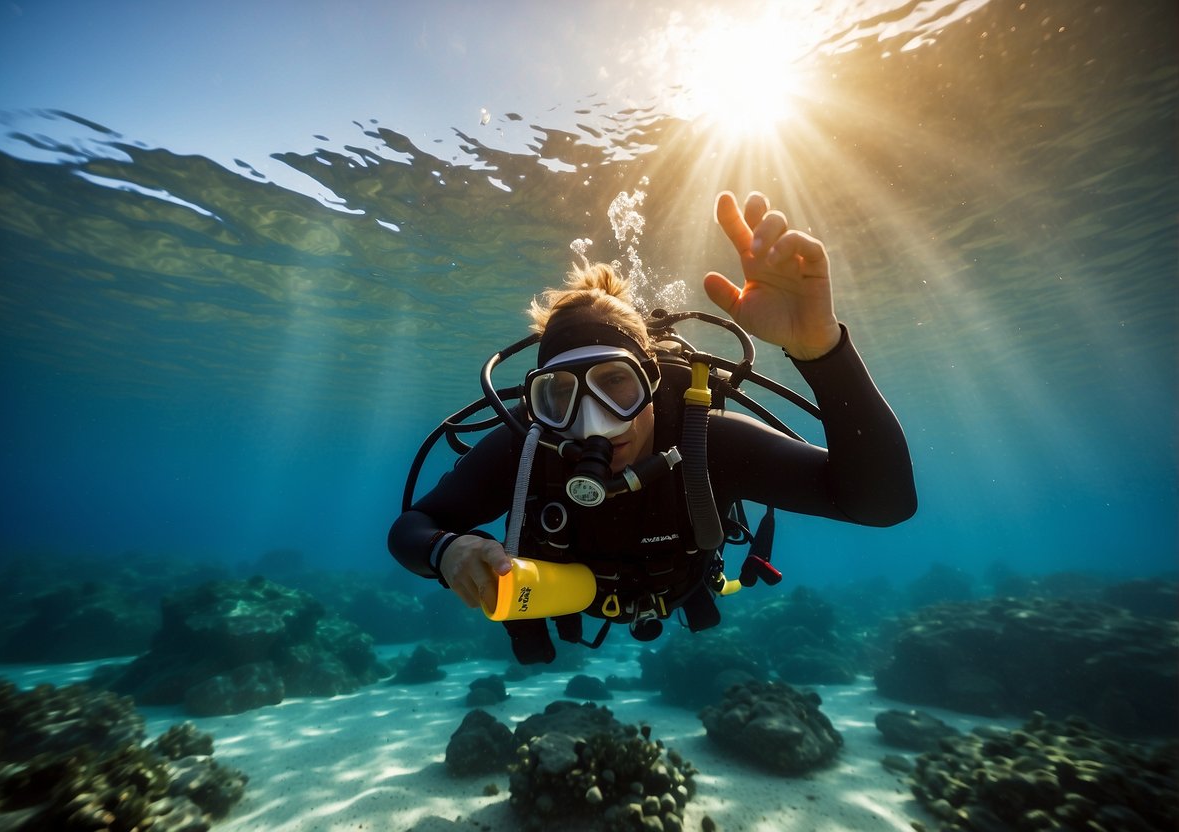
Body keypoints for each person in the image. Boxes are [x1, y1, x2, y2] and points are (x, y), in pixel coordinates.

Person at [388, 190, 917, 662]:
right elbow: (412, 526)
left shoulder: (706, 442)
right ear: (538, 401)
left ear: (652, 380)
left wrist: (821, 351)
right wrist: (447, 550)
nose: (591, 421)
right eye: (560, 396)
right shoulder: (527, 449)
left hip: (684, 587)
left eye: (615, 383)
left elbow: (883, 503)